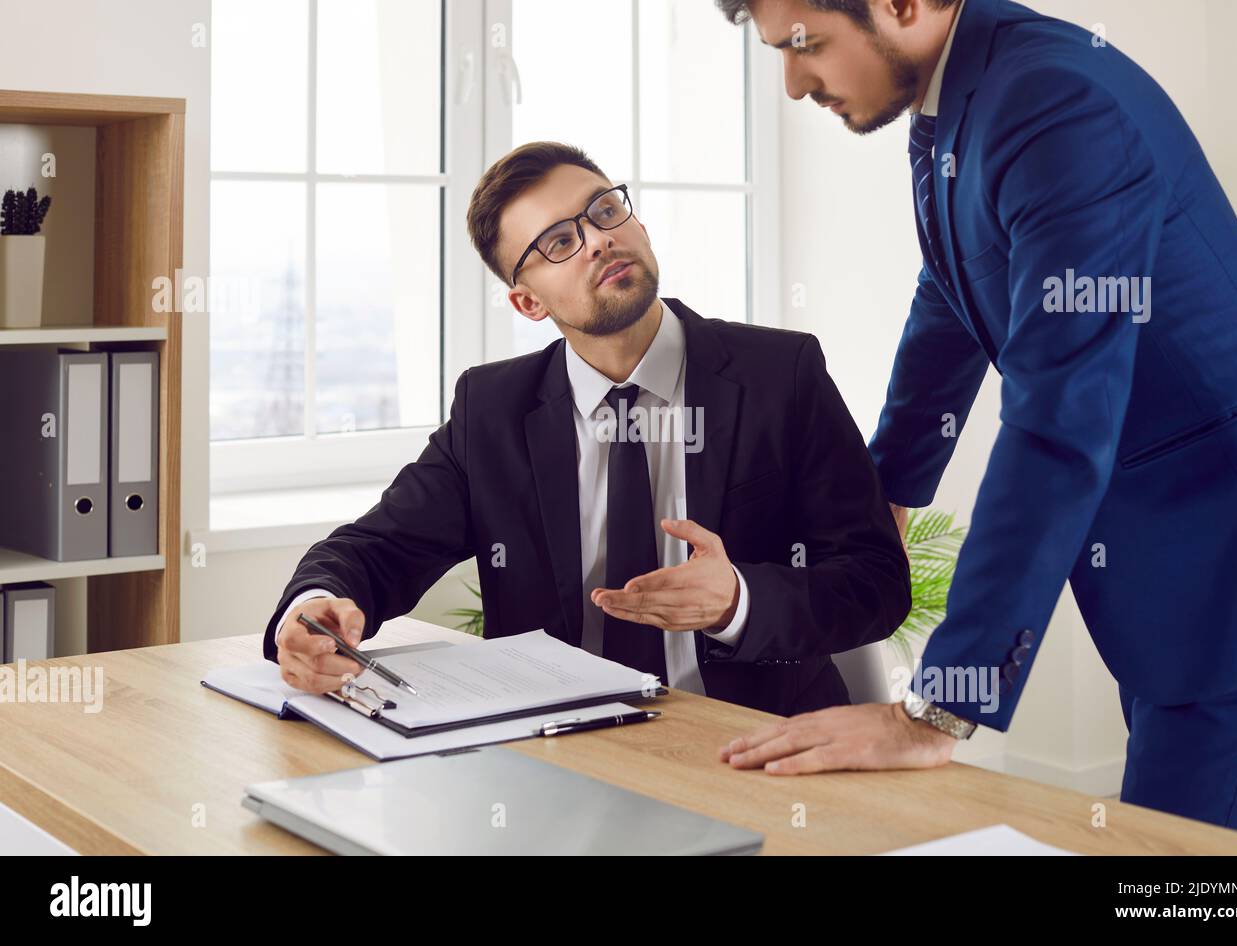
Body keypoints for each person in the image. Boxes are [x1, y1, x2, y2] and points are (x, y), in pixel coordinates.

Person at [715, 0, 1237, 841]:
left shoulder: (1059, 102)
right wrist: (882, 495)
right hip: (1159, 542)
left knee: (1186, 863)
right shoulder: (956, 90)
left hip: (1236, 545)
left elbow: (1059, 418)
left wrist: (938, 709)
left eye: (804, 46)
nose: (793, 83)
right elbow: (950, 297)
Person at [262, 140, 911, 717]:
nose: (598, 240)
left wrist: (738, 599)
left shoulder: (781, 375)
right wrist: (315, 613)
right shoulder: (493, 409)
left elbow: (875, 580)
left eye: (604, 211)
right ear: (528, 301)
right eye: (558, 243)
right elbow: (381, 549)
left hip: (749, 740)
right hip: (561, 752)